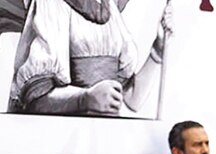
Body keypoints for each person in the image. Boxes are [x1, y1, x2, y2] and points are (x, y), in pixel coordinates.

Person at [8, 0, 171, 115]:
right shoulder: (52, 4)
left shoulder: (110, 10)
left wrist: (158, 49)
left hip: (102, 140)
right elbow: (36, 99)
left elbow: (132, 99)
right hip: (61, 139)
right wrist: (85, 99)